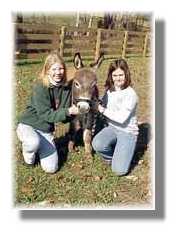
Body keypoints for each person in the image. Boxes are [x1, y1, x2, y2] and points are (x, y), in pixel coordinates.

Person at [16, 51, 79, 173]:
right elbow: (46, 114)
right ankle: (28, 155)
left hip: (45, 130)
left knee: (51, 168)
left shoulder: (65, 89)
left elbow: (63, 117)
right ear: (47, 70)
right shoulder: (40, 86)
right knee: (32, 142)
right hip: (29, 124)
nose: (58, 72)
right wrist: (68, 111)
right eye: (54, 69)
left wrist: (74, 113)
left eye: (61, 68)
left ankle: (38, 146)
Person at [92, 58, 139, 176]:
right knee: (97, 144)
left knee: (119, 171)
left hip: (127, 131)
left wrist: (102, 109)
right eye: (115, 75)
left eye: (121, 75)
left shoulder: (131, 94)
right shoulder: (109, 91)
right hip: (112, 128)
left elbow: (121, 118)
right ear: (111, 76)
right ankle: (112, 157)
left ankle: (125, 152)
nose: (118, 78)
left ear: (126, 74)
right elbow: (101, 103)